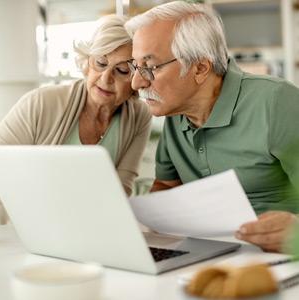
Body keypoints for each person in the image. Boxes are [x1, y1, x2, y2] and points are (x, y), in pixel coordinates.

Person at [125, 1, 299, 252]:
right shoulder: (175, 112)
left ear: (200, 68)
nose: (136, 82)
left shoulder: (276, 102)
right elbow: (166, 187)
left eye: (150, 67)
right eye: (135, 66)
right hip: (209, 254)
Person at [0, 14, 151, 197]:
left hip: (92, 219)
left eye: (122, 70)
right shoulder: (39, 103)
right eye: (100, 63)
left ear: (138, 77)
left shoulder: (139, 116)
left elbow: (121, 189)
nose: (105, 78)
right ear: (87, 63)